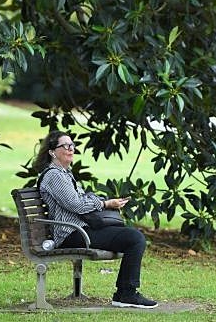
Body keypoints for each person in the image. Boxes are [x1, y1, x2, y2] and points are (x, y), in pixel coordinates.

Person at [34, 130, 157, 308]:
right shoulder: (54, 176)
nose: (71, 149)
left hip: (81, 229)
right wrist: (105, 204)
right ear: (52, 152)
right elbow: (77, 204)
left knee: (133, 236)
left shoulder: (65, 174)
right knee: (134, 239)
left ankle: (125, 293)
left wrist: (95, 201)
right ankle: (126, 293)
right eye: (65, 146)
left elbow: (83, 199)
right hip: (71, 233)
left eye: (72, 146)